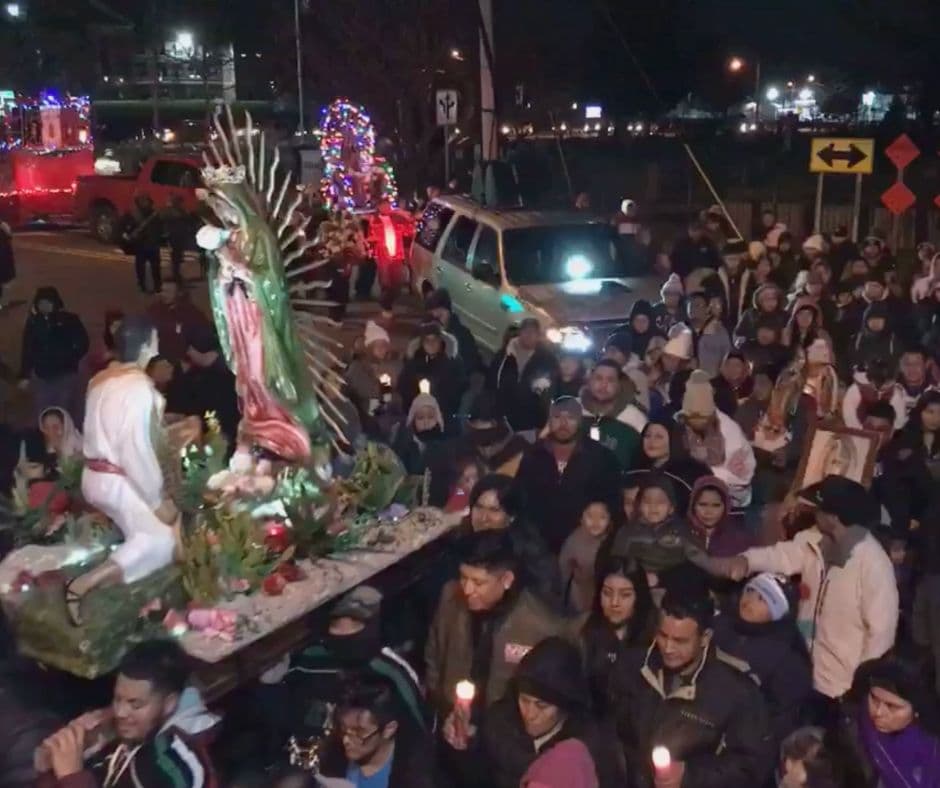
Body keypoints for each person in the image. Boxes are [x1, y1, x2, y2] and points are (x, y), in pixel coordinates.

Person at [721, 476, 898, 724]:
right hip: (802, 675)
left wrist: (859, 689)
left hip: (840, 689)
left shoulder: (873, 563)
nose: (813, 512)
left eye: (819, 508)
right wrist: (746, 560)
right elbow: (781, 556)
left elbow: (881, 635)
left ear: (833, 517)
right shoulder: (813, 539)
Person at [69, 316, 181, 626]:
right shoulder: (137, 388)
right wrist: (157, 501)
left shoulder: (100, 380)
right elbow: (135, 451)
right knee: (162, 540)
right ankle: (85, 586)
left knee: (143, 534)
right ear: (148, 346)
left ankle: (110, 583)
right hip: (119, 481)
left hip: (94, 476)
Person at [610, 591, 773, 788]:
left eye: (680, 641)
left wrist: (689, 776)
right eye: (663, 636)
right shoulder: (633, 667)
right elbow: (610, 731)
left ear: (705, 637)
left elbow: (750, 767)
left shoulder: (735, 692)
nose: (668, 648)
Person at [425, 530, 571, 720]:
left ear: (506, 580)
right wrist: (440, 706)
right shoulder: (451, 598)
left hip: (504, 725)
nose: (467, 590)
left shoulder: (539, 626)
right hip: (452, 713)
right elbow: (435, 652)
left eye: (478, 582)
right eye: (463, 577)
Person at [35, 640, 217, 787]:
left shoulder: (176, 765)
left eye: (135, 704)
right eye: (117, 699)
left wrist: (71, 775)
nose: (120, 712)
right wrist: (53, 767)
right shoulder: (135, 739)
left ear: (169, 704)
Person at [470, 637, 623, 788]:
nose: (530, 714)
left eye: (541, 706)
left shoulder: (589, 747)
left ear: (564, 706)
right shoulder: (498, 726)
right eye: (524, 701)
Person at [712, 573, 813, 745]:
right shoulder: (719, 625)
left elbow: (782, 716)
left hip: (744, 738)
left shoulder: (787, 656)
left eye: (762, 599)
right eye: (749, 591)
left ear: (777, 612)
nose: (749, 600)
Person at [512, 396, 621, 552]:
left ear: (580, 421)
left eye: (570, 418)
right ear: (549, 421)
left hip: (585, 545)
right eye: (557, 417)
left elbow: (612, 503)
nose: (563, 424)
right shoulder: (534, 454)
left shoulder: (601, 457)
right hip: (537, 545)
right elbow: (520, 498)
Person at [832, 656, 940, 788]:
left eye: (891, 706)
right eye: (874, 698)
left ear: (916, 711)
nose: (878, 712)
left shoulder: (932, 744)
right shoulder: (852, 726)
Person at [317, 680, 436, 788]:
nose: (346, 740)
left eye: (359, 731)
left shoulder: (417, 775)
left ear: (389, 729)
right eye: (344, 729)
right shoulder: (331, 756)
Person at [580, 556, 654, 712]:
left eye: (625, 595)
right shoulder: (585, 632)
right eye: (607, 593)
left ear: (639, 597)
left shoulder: (655, 638)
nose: (614, 603)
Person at [675, 369, 756, 508]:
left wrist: (704, 466)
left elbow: (740, 478)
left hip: (728, 497)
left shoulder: (729, 429)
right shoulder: (676, 421)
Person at [17, 286, 90, 423]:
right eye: (41, 303)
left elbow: (83, 343)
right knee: (43, 413)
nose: (44, 306)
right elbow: (27, 349)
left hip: (64, 375)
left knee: (62, 412)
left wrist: (70, 358)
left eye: (47, 303)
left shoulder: (69, 320)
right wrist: (24, 375)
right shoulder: (33, 323)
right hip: (42, 375)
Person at [494, 318, 560, 434]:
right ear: (520, 332)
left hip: (529, 421)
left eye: (533, 332)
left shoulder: (547, 360)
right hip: (501, 414)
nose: (529, 335)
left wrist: (540, 421)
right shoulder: (504, 354)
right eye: (526, 331)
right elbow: (492, 381)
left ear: (538, 336)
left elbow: (548, 392)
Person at [397, 321, 465, 427]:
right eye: (427, 340)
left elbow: (458, 388)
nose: (431, 344)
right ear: (422, 343)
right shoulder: (414, 362)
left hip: (444, 414)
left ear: (441, 341)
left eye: (435, 340)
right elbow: (403, 385)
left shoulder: (452, 362)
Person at [579, 360, 644, 469]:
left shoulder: (635, 418)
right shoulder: (572, 409)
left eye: (610, 380)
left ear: (619, 385)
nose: (603, 385)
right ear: (589, 381)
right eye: (598, 378)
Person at [345, 320, 402, 439]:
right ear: (369, 347)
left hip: (380, 412)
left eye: (384, 345)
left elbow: (389, 395)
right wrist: (383, 387)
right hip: (363, 415)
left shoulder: (385, 367)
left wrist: (388, 394)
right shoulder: (357, 367)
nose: (382, 349)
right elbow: (367, 394)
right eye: (378, 345)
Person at [559, 496, 616, 613]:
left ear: (610, 520)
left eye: (602, 517)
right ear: (581, 518)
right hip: (580, 589)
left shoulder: (613, 541)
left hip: (606, 589)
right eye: (590, 516)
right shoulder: (574, 540)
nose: (595, 522)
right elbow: (564, 566)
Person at [145, 279, 212, 366]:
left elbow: (202, 336)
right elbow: (147, 327)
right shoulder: (155, 309)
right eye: (162, 291)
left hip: (184, 361)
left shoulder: (191, 312)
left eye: (168, 291)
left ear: (179, 293)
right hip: (159, 359)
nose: (163, 294)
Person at [687, 476, 753, 557]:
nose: (708, 512)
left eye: (716, 505)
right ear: (693, 505)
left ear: (726, 506)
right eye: (702, 504)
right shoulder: (681, 534)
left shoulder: (740, 539)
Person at [16, 406, 83, 486]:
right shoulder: (42, 449)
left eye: (55, 427)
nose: (51, 431)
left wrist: (59, 451)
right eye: (46, 427)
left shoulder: (81, 449)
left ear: (66, 426)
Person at [426, 288, 483, 377]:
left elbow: (470, 364)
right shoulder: (426, 333)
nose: (437, 320)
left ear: (448, 312)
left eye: (440, 315)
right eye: (433, 317)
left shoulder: (462, 335)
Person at [389, 391, 449, 475]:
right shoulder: (404, 445)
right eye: (420, 417)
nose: (426, 422)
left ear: (438, 419)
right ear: (413, 420)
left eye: (431, 417)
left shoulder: (445, 445)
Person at [121, 193, 164, 294]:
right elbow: (160, 229)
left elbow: (125, 227)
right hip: (148, 244)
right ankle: (154, 285)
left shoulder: (136, 215)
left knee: (145, 266)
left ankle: (146, 285)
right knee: (152, 266)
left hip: (145, 244)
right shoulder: (153, 214)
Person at [733, 282, 786, 347]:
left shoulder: (785, 316)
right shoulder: (749, 314)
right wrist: (755, 335)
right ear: (759, 300)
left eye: (773, 299)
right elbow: (738, 334)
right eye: (766, 299)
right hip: (752, 349)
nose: (770, 302)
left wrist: (775, 336)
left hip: (776, 350)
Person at [163, 194, 192, 284]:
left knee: (177, 256)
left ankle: (177, 273)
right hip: (174, 236)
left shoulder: (181, 211)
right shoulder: (171, 212)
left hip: (179, 236)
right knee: (175, 256)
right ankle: (176, 274)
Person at [0, 220, 15, 309]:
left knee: (4, 280)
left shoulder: (3, 225)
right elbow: (9, 237)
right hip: (4, 256)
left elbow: (9, 237)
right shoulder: (4, 225)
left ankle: (4, 301)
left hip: (3, 256)